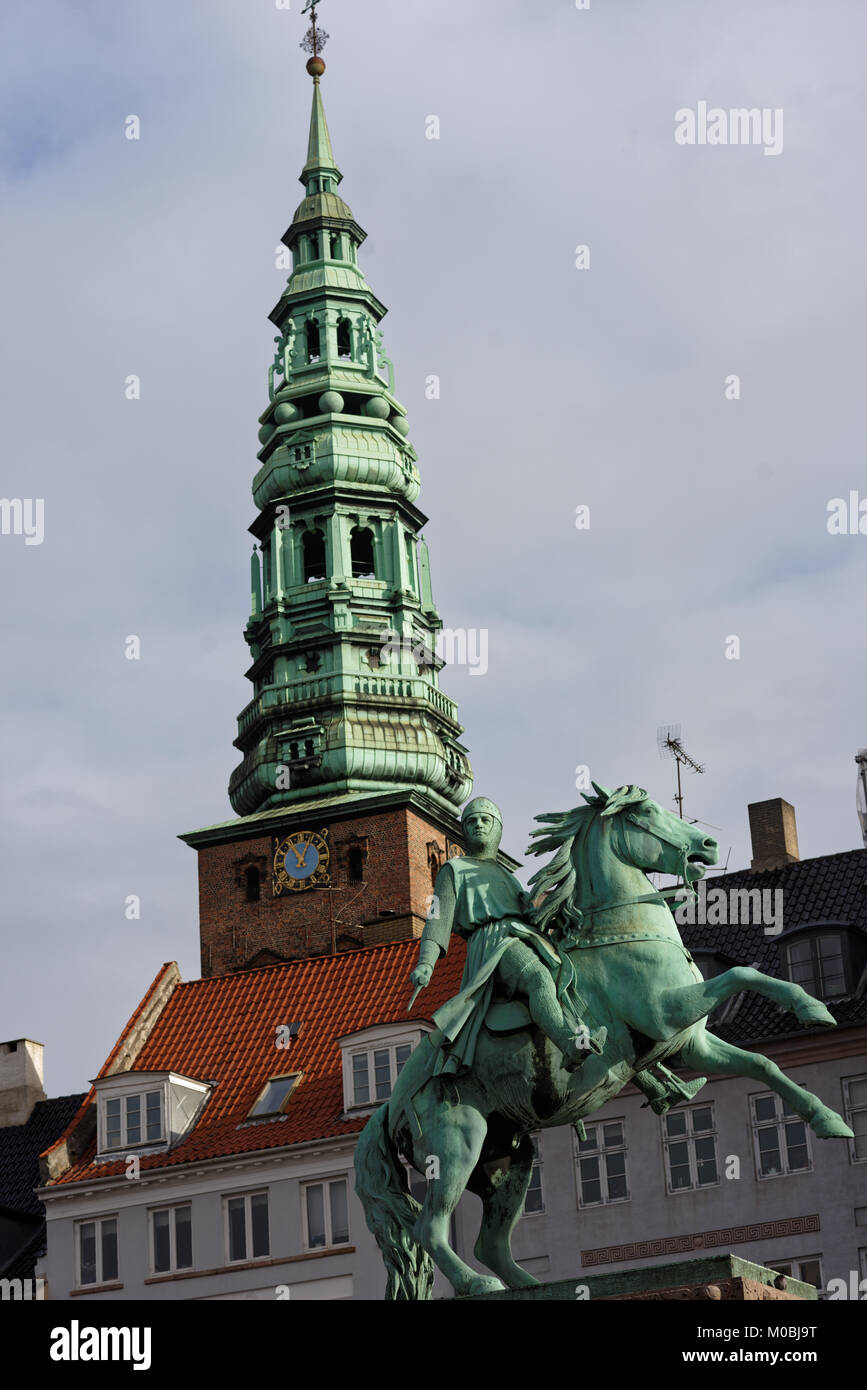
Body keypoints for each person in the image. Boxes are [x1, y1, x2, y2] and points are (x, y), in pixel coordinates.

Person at [409, 797, 606, 1076]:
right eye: (471, 821)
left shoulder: (508, 875)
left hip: (524, 935)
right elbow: (437, 919)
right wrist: (426, 963)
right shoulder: (453, 870)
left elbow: (529, 913)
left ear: (497, 829)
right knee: (538, 977)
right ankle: (568, 1044)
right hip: (493, 941)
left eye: (485, 820)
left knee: (570, 974)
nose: (478, 825)